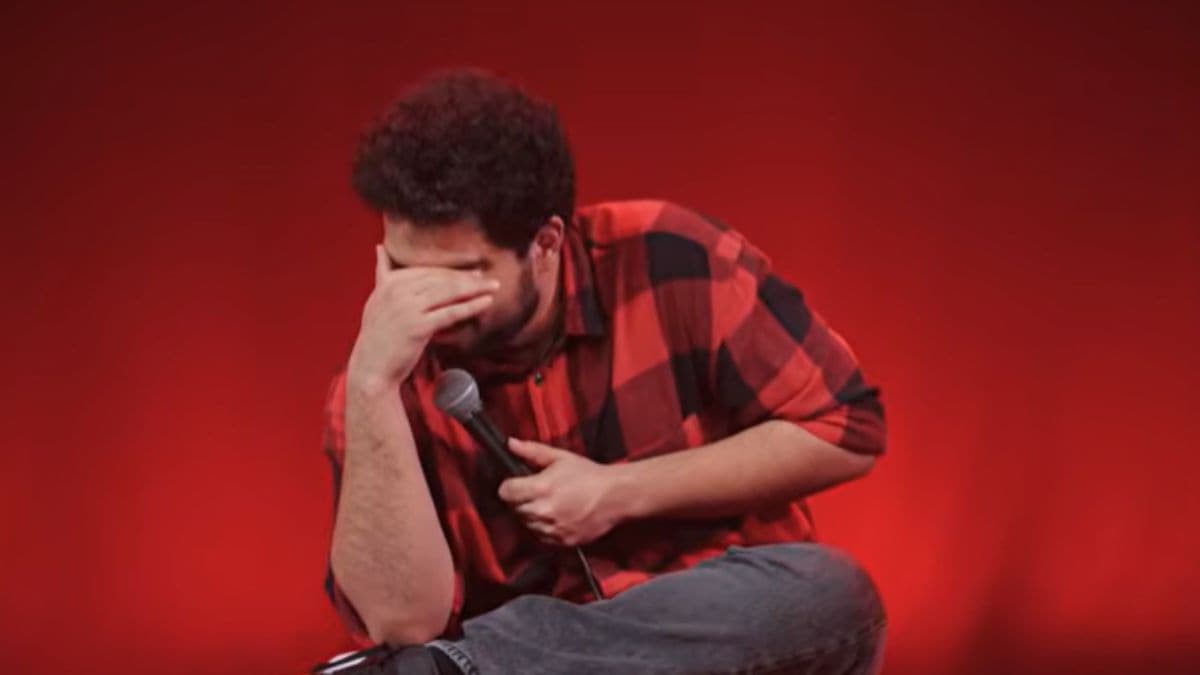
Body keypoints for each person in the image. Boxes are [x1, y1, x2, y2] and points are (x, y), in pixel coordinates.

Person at [318, 69, 888, 675]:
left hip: (716, 646)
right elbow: (402, 624)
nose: (423, 300)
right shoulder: (380, 373)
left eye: (460, 273)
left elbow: (847, 430)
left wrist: (617, 492)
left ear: (545, 243)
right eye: (401, 269)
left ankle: (471, 666)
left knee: (832, 593)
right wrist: (372, 387)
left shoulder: (667, 255)